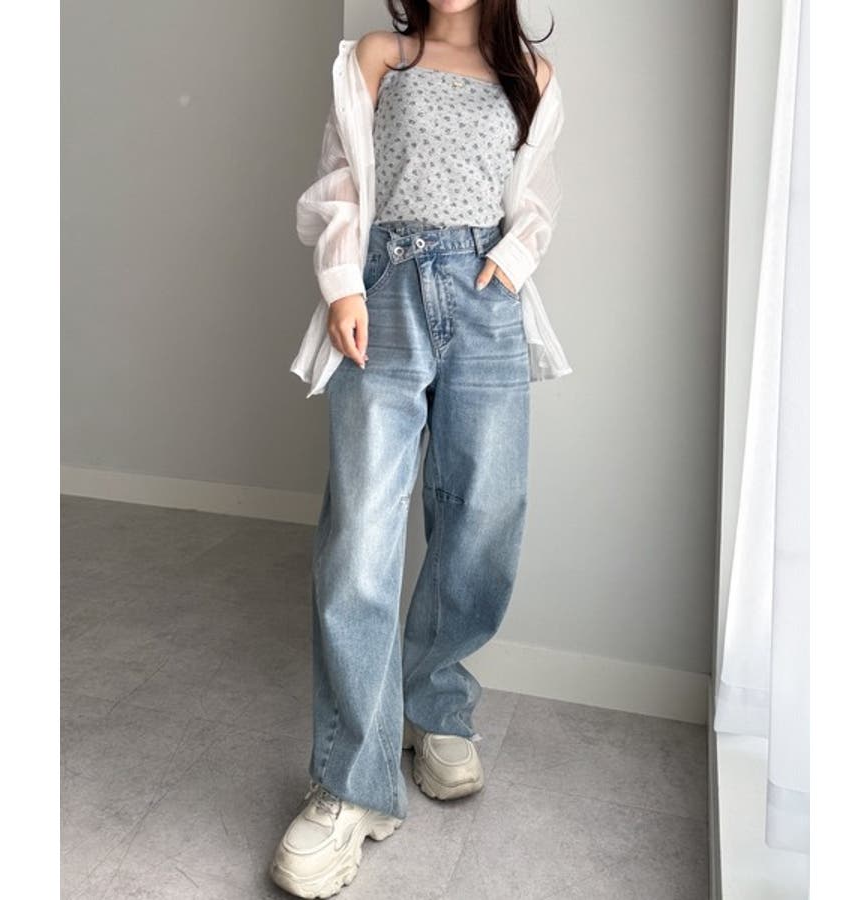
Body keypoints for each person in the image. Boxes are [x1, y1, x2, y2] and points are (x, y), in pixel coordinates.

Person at [270, 2, 569, 896]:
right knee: (360, 533)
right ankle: (351, 786)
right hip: (386, 289)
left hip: (486, 301)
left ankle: (435, 703)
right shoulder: (380, 57)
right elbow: (340, 177)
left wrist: (513, 259)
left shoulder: (531, 77)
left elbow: (539, 193)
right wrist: (340, 283)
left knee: (484, 514)